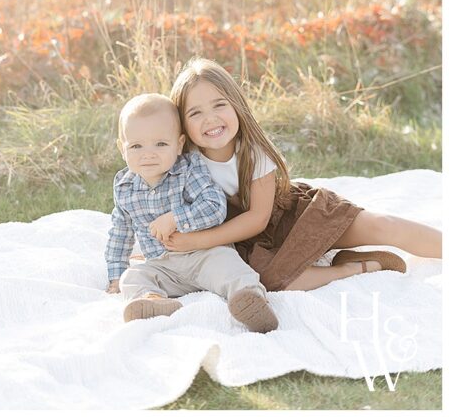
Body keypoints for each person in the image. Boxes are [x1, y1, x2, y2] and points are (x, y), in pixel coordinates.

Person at [165, 57, 442, 290]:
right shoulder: (185, 166)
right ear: (182, 124)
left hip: (295, 217)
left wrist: (196, 240)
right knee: (274, 281)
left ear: (236, 105)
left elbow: (258, 218)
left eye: (219, 105)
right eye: (195, 113)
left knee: (383, 226)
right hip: (248, 243)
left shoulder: (253, 152)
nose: (210, 119)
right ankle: (358, 267)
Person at [105, 93, 279, 332]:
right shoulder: (124, 186)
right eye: (136, 146)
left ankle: (250, 300)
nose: (148, 154)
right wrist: (115, 274)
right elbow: (120, 231)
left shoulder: (189, 169)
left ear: (179, 145)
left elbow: (214, 206)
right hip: (163, 265)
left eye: (161, 144)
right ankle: (153, 301)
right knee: (133, 278)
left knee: (230, 266)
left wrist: (176, 218)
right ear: (121, 148)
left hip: (204, 256)